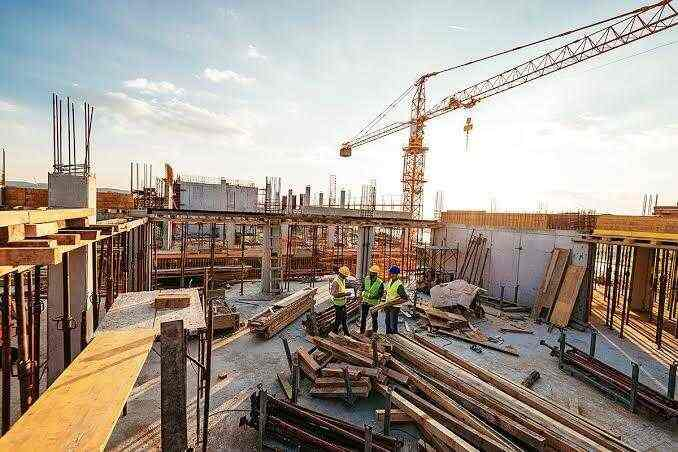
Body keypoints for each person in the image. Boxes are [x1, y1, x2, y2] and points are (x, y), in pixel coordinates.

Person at [384, 265, 408, 334]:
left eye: (392, 274)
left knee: (393, 323)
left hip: (394, 307)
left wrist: (395, 301)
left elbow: (404, 297)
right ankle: (388, 335)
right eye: (390, 273)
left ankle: (395, 336)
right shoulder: (390, 281)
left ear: (396, 274)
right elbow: (388, 292)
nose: (391, 275)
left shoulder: (399, 284)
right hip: (388, 305)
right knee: (387, 322)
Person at [360, 264, 384, 335]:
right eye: (371, 272)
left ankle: (374, 332)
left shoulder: (380, 282)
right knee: (363, 318)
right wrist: (361, 295)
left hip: (374, 303)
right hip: (365, 302)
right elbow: (362, 288)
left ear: (376, 274)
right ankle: (362, 332)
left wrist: (371, 296)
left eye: (373, 273)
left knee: (374, 319)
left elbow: (380, 294)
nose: (371, 274)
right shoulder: (366, 279)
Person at [329, 265, 351, 335]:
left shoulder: (342, 279)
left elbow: (342, 289)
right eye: (345, 275)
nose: (346, 277)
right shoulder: (336, 282)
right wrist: (345, 294)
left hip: (342, 303)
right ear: (341, 274)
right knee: (343, 320)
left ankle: (335, 332)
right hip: (338, 305)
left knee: (339, 320)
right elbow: (334, 294)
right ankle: (347, 334)